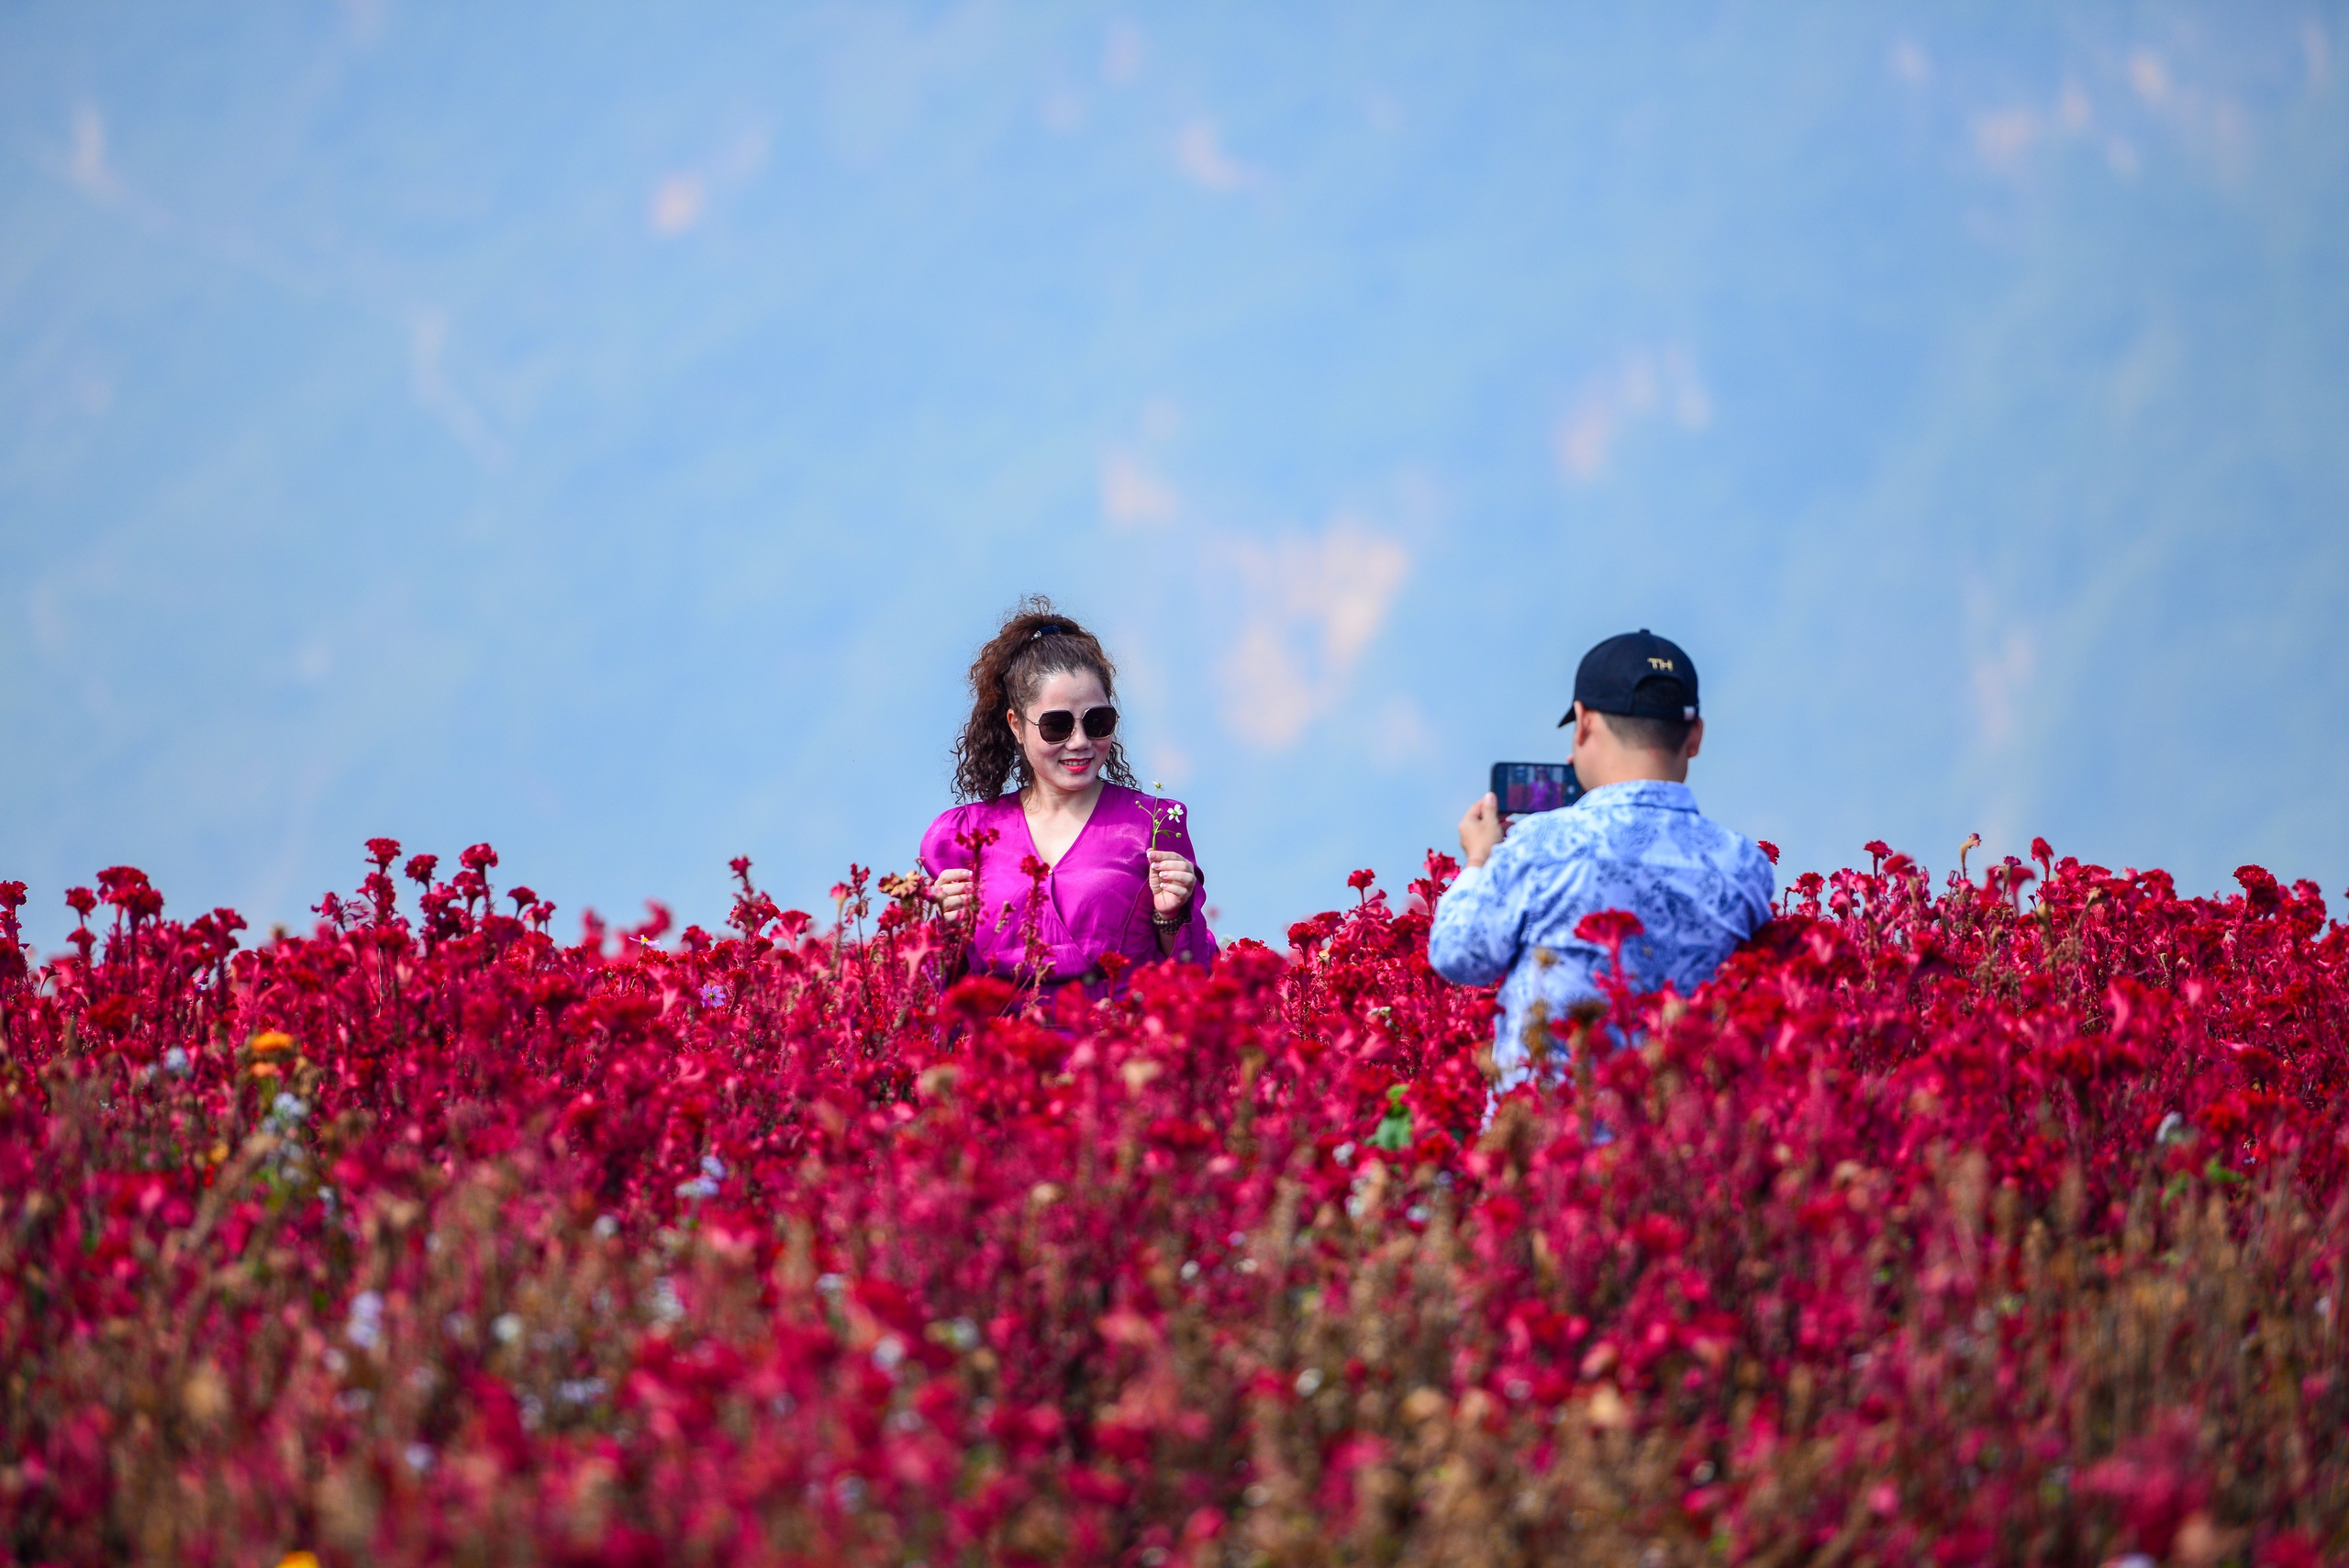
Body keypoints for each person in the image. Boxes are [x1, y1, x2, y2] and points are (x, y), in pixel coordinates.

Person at [1428, 629, 1774, 1089]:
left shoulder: (1539, 844)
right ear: (1695, 736)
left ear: (1584, 721)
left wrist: (1478, 859)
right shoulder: (1741, 865)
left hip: (1550, 1140)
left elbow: (1458, 955)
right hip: (1686, 1141)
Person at [920, 601, 1215, 995]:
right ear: (1016, 726)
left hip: (1118, 1048)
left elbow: (1194, 978)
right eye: (1056, 725)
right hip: (1002, 1052)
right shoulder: (965, 836)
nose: (1079, 742)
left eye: (1097, 722)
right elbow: (935, 992)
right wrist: (944, 930)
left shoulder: (1154, 823)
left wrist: (1171, 917)